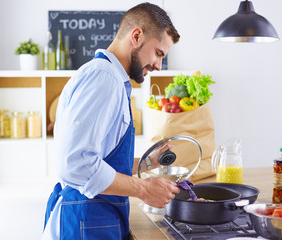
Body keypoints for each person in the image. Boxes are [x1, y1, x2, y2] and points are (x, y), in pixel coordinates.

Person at [42, 2, 181, 239]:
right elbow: (76, 164)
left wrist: (148, 162)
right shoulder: (104, 79)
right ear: (136, 35)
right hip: (84, 221)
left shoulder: (111, 79)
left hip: (93, 218)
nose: (158, 65)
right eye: (158, 53)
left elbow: (101, 159)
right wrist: (144, 189)